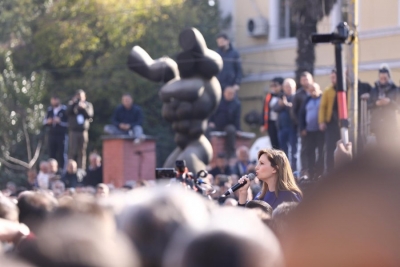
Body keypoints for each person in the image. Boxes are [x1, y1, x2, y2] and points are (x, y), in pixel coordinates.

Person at [237, 149, 302, 209]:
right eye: (258, 163)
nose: (256, 167)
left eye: (261, 163)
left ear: (274, 169)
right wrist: (243, 192)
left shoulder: (289, 196)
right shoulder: (260, 196)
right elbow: (246, 219)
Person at [368, 65, 399, 147]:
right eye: (381, 78)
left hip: (390, 123)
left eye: (385, 78)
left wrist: (389, 102)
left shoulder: (395, 90)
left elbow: (398, 105)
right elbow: (368, 105)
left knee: (390, 147)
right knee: (380, 148)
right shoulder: (374, 90)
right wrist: (376, 104)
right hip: (377, 124)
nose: (383, 80)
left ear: (389, 77)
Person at [299, 83, 324, 180]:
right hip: (309, 132)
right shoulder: (307, 100)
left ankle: (320, 171)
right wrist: (302, 128)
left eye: (314, 89)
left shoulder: (322, 99)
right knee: (310, 152)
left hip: (320, 131)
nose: (312, 91)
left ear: (319, 89)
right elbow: (301, 114)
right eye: (311, 90)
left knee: (321, 151)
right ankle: (311, 172)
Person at [209, 87, 241, 158]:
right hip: (216, 124)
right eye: (229, 93)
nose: (230, 95)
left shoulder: (236, 104)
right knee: (207, 130)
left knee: (231, 130)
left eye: (232, 94)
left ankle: (230, 153)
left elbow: (237, 117)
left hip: (228, 125)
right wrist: (211, 121)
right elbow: (212, 112)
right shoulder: (218, 102)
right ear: (224, 93)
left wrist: (238, 129)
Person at [273, 78, 298, 171]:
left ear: (294, 87)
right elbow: (275, 108)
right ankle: (284, 169)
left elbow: (295, 108)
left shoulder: (296, 97)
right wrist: (281, 104)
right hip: (282, 128)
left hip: (292, 127)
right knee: (283, 151)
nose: (288, 89)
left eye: (289, 87)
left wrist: (285, 104)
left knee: (293, 151)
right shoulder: (282, 96)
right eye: (286, 87)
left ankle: (294, 170)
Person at [319, 70, 341, 174]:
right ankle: (330, 172)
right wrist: (322, 121)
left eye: (334, 77)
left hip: (342, 123)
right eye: (331, 77)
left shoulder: (345, 88)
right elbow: (322, 107)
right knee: (329, 148)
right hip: (331, 122)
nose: (333, 79)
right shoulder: (328, 90)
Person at [292, 72, 314, 175]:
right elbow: (294, 112)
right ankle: (305, 170)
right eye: (303, 79)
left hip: (315, 127)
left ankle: (314, 168)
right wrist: (301, 126)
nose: (305, 81)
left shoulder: (315, 91)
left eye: (307, 79)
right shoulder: (298, 94)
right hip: (304, 128)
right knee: (305, 149)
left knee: (316, 148)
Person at [67, 89, 94, 170]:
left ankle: (81, 169)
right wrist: (74, 104)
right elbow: (67, 112)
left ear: (84, 97)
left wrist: (83, 108)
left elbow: (90, 115)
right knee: (72, 151)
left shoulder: (88, 105)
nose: (80, 99)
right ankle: (70, 168)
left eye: (81, 97)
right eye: (78, 97)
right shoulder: (72, 104)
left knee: (82, 151)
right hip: (73, 131)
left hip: (83, 131)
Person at [44, 95, 68, 170]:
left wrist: (60, 122)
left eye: (55, 99)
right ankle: (51, 169)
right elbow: (44, 121)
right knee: (51, 153)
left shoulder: (64, 110)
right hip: (52, 134)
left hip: (61, 135)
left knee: (62, 153)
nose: (54, 101)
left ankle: (62, 169)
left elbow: (68, 123)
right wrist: (48, 121)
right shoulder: (49, 110)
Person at [260, 77, 283, 149]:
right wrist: (263, 124)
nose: (273, 88)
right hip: (271, 122)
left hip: (281, 122)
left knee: (281, 143)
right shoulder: (269, 96)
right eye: (271, 86)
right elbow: (264, 110)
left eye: (275, 85)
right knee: (274, 144)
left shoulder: (284, 95)